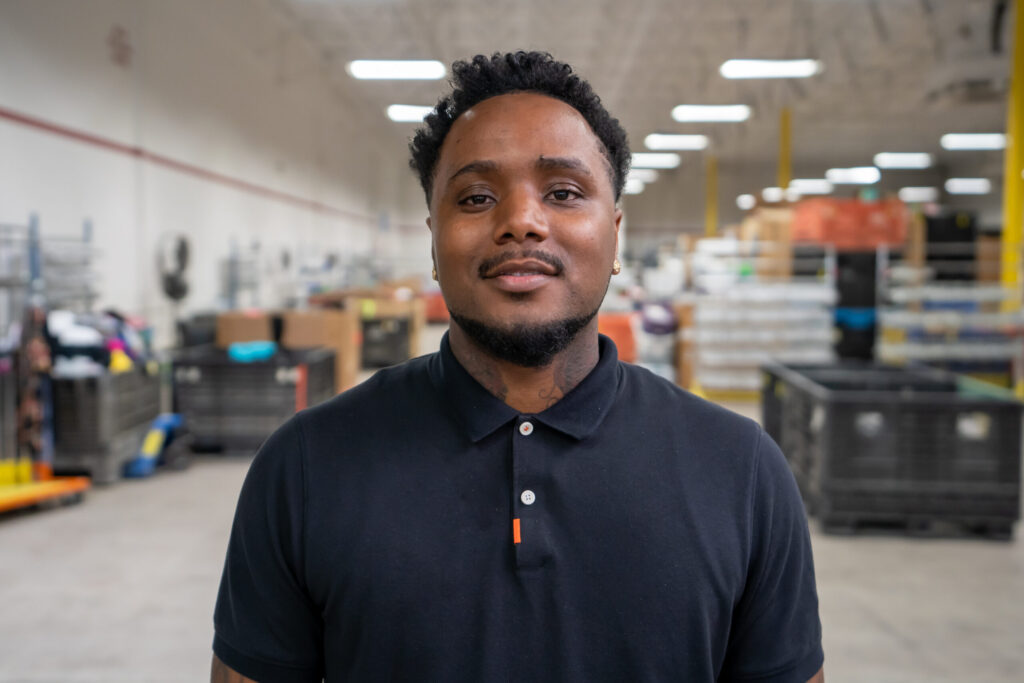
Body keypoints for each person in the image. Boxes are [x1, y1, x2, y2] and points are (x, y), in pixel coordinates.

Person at [211, 51, 824, 683]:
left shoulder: (739, 470)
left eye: (563, 192)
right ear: (433, 239)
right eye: (476, 197)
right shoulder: (307, 466)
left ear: (614, 235)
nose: (521, 223)